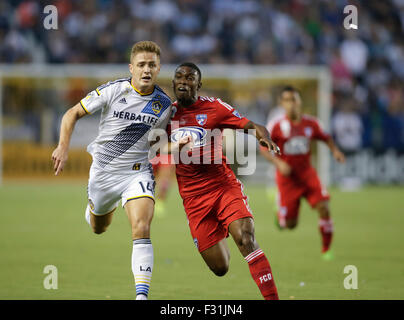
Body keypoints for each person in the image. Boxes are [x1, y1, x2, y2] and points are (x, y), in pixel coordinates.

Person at [51, 41, 173, 300]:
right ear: (131, 68)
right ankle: (95, 210)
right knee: (98, 227)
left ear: (159, 68)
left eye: (152, 64)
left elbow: (159, 142)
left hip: (137, 172)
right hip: (103, 175)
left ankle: (141, 295)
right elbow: (72, 113)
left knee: (141, 226)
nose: (146, 69)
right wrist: (63, 146)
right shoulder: (113, 91)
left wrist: (176, 145)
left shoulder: (164, 104)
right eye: (141, 64)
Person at [167, 62, 280, 300]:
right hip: (194, 200)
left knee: (246, 239)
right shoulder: (166, 114)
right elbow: (146, 143)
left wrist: (265, 138)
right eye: (179, 77)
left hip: (222, 187)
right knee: (220, 268)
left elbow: (252, 125)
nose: (183, 82)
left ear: (199, 84)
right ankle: (222, 229)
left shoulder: (214, 107)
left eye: (189, 78)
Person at [259, 86, 345, 260]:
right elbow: (263, 148)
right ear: (282, 103)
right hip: (287, 179)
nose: (291, 104)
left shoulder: (311, 123)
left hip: (307, 175)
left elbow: (325, 137)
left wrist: (335, 151)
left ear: (299, 102)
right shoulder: (276, 125)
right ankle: (280, 212)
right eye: (287, 100)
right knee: (290, 224)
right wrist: (279, 163)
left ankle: (326, 249)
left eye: (294, 99)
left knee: (324, 207)